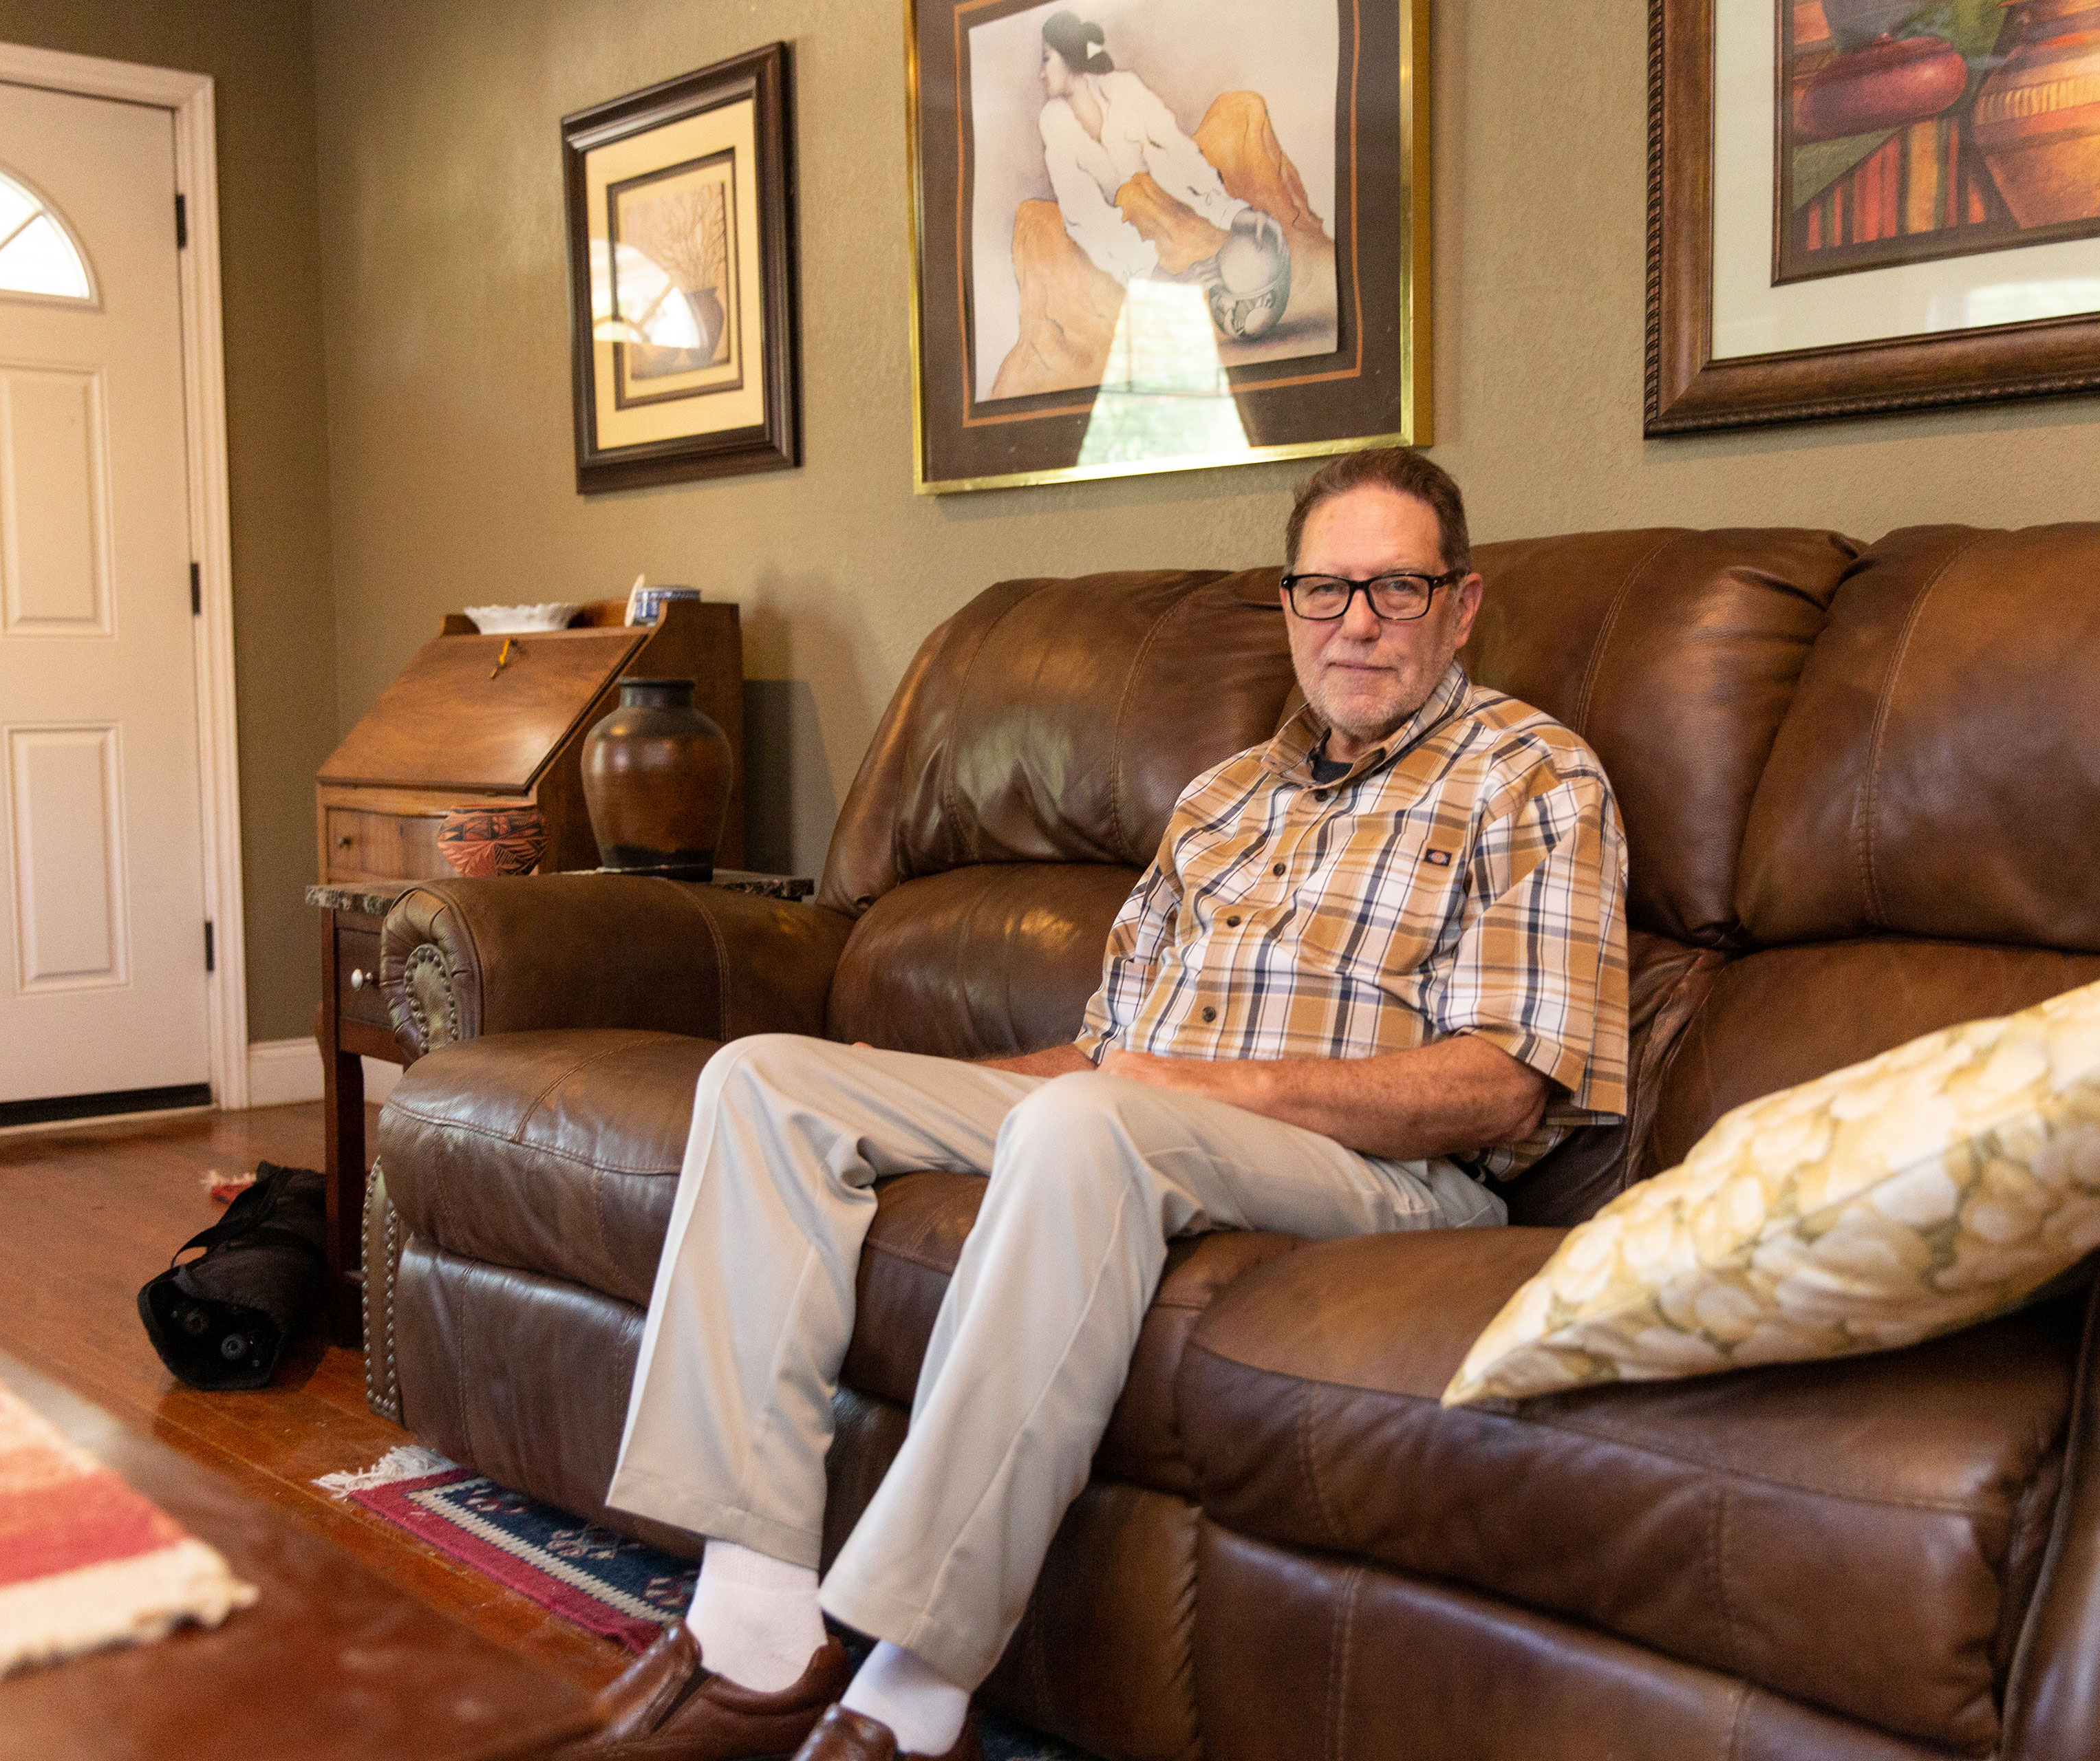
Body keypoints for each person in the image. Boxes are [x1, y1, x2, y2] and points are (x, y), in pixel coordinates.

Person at [576, 446, 1631, 1761]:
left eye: (1396, 589)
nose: (1355, 621)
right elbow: (1107, 1053)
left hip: (1389, 1181)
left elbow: (1501, 1082)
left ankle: (910, 1695)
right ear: (1287, 604)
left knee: (1091, 1126)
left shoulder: (1535, 777)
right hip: (1142, 1116)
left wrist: (1186, 1088)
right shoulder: (1220, 799)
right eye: (1324, 589)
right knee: (764, 1079)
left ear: (1460, 608)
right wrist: (917, 1101)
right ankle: (756, 1634)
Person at [1033, 10, 1268, 289]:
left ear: (1069, 57)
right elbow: (1084, 214)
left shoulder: (1124, 88)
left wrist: (1232, 213)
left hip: (1173, 206)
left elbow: (1174, 153)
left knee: (1240, 114)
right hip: (1122, 246)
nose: (1041, 74)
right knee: (1037, 228)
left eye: (1046, 58)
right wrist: (1160, 277)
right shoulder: (1053, 120)